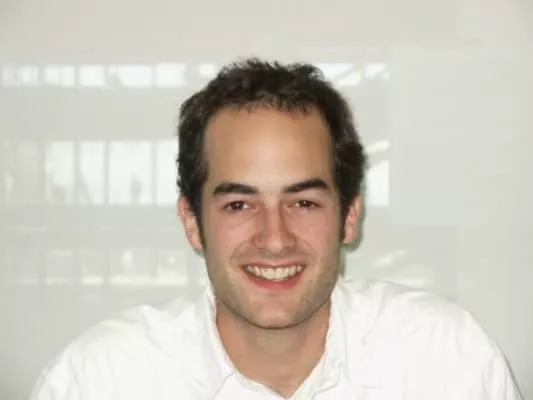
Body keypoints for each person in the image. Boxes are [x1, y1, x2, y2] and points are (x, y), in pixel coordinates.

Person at [32, 58, 522, 400]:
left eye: (303, 202)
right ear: (192, 222)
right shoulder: (97, 380)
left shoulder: (447, 361)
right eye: (239, 204)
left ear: (350, 215)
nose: (274, 238)